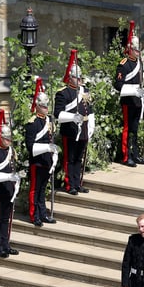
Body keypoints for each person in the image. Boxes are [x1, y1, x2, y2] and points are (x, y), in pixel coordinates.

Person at [54, 50, 94, 195]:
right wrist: (72, 118)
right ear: (70, 78)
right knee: (69, 159)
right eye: (77, 78)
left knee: (79, 158)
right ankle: (69, 184)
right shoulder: (63, 93)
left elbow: (89, 108)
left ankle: (78, 183)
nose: (80, 80)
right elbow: (57, 113)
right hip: (70, 130)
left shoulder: (85, 90)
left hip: (83, 129)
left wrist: (91, 124)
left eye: (80, 78)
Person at [113, 21, 144, 167]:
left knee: (135, 128)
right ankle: (126, 156)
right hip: (128, 100)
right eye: (135, 50)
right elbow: (118, 85)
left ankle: (135, 153)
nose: (138, 52)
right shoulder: (124, 64)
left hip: (137, 100)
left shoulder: (139, 62)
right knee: (128, 128)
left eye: (138, 50)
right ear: (129, 49)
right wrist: (133, 91)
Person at [0, 108, 20, 258]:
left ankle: (6, 244)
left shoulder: (10, 151)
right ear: (0, 138)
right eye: (6, 139)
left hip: (9, 189)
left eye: (9, 139)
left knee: (6, 218)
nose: (8, 141)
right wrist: (9, 178)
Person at [25, 78, 58, 226]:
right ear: (38, 106)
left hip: (47, 160)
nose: (46, 109)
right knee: (35, 189)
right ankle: (34, 215)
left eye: (47, 106)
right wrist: (46, 149)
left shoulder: (49, 120)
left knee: (43, 188)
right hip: (37, 161)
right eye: (43, 106)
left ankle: (43, 213)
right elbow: (30, 146)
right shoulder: (33, 123)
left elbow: (51, 138)